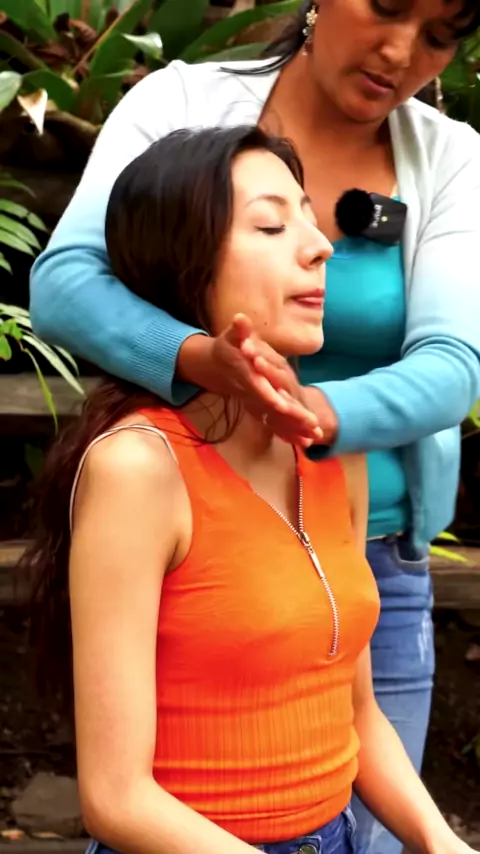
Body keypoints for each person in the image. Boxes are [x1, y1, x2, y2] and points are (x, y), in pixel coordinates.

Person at [29, 2, 480, 852]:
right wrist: (203, 360)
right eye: (273, 225)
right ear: (185, 261)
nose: (322, 247)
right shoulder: (140, 473)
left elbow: (358, 716)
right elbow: (119, 797)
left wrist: (442, 840)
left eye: (440, 35)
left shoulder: (333, 455)